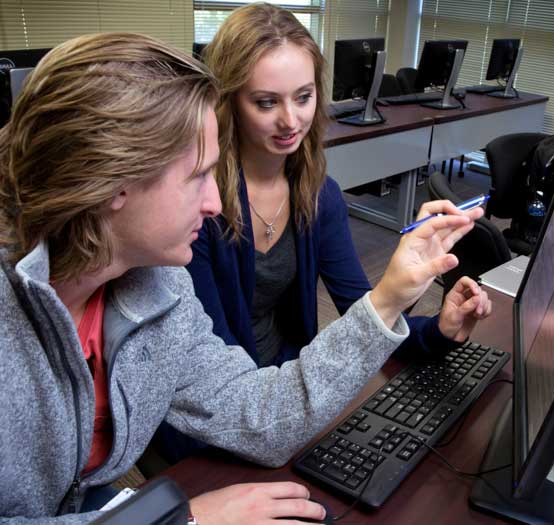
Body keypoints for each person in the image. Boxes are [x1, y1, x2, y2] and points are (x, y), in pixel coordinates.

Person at [0, 32, 487, 525]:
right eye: (197, 176)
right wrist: (180, 520)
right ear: (112, 182)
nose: (213, 202)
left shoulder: (157, 287)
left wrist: (387, 302)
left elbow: (259, 416)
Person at [156, 3, 491, 463]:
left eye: (304, 96)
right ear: (229, 100)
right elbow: (216, 386)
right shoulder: (199, 211)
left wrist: (439, 329)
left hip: (292, 387)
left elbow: (361, 313)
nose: (291, 121)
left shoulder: (317, 195)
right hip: (221, 415)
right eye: (266, 102)